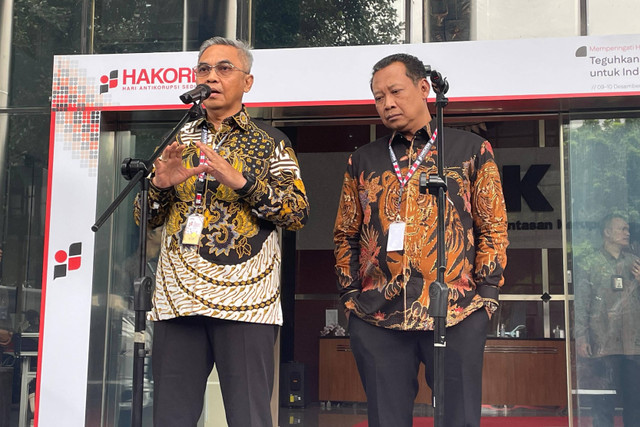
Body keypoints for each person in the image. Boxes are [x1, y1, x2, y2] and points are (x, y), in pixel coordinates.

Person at [134, 36, 309, 427]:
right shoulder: (175, 140)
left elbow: (297, 212)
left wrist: (242, 182)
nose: (212, 77)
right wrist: (159, 186)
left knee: (248, 416)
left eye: (224, 68)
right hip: (177, 300)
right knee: (170, 417)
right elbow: (144, 219)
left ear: (247, 82)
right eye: (204, 69)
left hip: (247, 302)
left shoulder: (272, 142)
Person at [333, 53, 509, 427]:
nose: (387, 104)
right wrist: (349, 298)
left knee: (458, 419)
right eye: (378, 97)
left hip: (457, 311)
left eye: (395, 92)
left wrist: (487, 299)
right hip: (377, 314)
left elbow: (493, 227)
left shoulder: (469, 150)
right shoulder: (363, 159)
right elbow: (345, 233)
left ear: (424, 88)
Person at [575, 214, 640, 426]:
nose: (627, 233)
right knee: (603, 402)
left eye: (628, 229)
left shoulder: (635, 263)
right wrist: (581, 336)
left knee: (635, 401)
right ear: (607, 233)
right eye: (622, 229)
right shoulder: (589, 263)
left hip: (633, 345)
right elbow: (582, 303)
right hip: (602, 342)